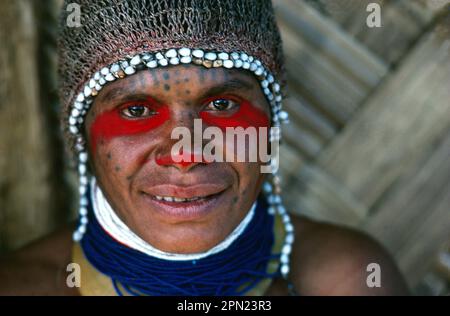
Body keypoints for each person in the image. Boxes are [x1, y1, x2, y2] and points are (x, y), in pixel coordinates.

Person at [0, 0, 409, 295]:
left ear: (271, 125)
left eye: (223, 104)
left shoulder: (348, 280)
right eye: (137, 109)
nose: (186, 152)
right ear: (83, 136)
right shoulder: (22, 287)